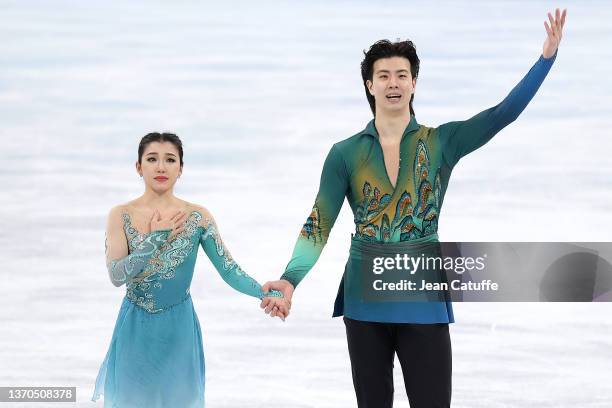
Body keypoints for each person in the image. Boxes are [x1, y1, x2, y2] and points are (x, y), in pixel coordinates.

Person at [261, 8, 567, 408]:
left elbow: (500, 115)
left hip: (421, 296)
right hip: (365, 299)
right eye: (384, 76)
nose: (393, 84)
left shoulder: (442, 142)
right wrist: (291, 279)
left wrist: (545, 60)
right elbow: (319, 223)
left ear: (414, 83)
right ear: (370, 85)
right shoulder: (345, 154)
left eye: (401, 75)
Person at [91, 132, 286, 408]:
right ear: (138, 167)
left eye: (170, 160)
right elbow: (117, 275)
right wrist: (155, 238)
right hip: (135, 328)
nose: (161, 167)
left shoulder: (198, 217)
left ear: (180, 169)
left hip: (179, 329)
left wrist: (265, 294)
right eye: (152, 159)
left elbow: (229, 270)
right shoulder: (120, 214)